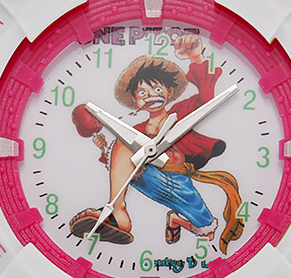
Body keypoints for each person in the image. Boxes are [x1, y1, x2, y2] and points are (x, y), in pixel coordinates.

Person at [70, 34, 245, 254]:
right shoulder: (135, 131)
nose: (150, 96)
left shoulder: (181, 112)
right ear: (135, 101)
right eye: (142, 93)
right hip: (150, 178)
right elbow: (120, 163)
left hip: (180, 182)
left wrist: (196, 57)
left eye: (157, 90)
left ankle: (175, 220)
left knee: (207, 228)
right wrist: (104, 147)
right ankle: (118, 212)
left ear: (169, 92)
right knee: (125, 144)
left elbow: (205, 98)